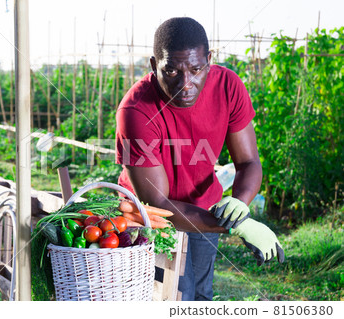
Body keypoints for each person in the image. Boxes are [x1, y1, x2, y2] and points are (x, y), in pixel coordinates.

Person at [115, 17, 284, 301]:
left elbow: (248, 163)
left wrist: (238, 207)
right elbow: (158, 203)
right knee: (176, 296)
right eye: (171, 71)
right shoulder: (136, 110)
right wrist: (236, 225)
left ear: (209, 59)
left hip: (204, 209)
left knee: (202, 296)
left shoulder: (228, 86)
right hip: (151, 220)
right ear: (153, 64)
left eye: (196, 69)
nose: (185, 84)